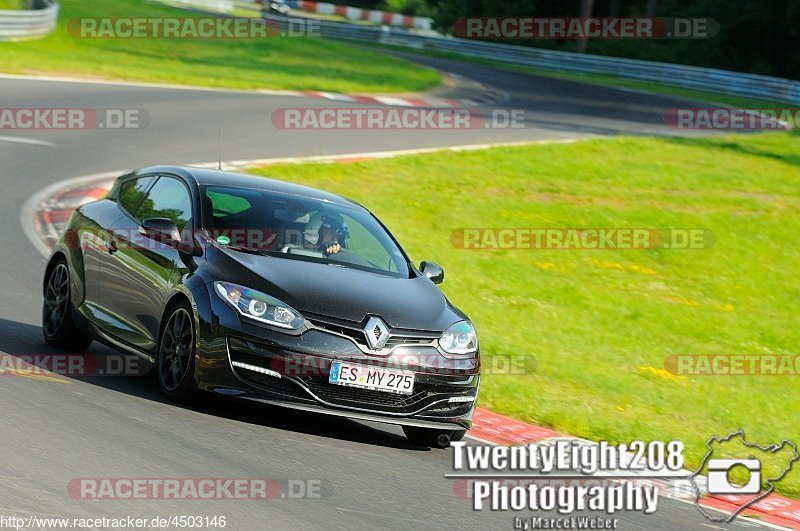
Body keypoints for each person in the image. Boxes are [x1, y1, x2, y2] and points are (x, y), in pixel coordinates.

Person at [281, 212, 348, 255]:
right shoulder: (289, 250)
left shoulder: (337, 258)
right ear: (315, 229)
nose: (335, 240)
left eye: (338, 237)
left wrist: (334, 257)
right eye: (331, 234)